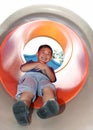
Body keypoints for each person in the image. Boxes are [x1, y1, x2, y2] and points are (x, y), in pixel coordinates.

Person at [12, 44, 60, 126]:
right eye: (43, 52)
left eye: (48, 54)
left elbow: (52, 79)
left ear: (50, 58)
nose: (45, 55)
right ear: (37, 54)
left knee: (47, 88)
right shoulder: (31, 62)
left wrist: (45, 68)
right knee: (28, 89)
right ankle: (22, 107)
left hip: (43, 79)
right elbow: (23, 68)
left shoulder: (50, 68)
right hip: (31, 76)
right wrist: (37, 64)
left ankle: (49, 105)